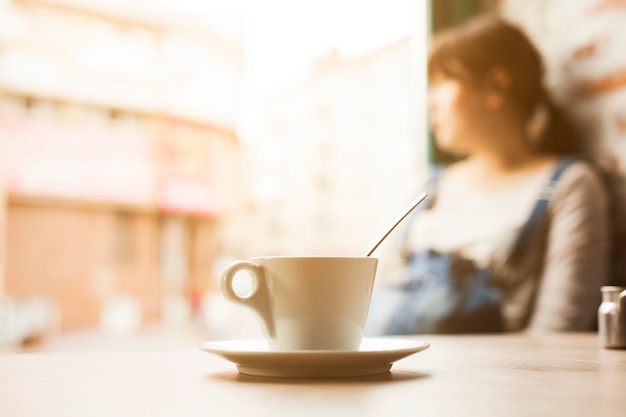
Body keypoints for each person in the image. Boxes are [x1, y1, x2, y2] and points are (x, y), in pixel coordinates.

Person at [368, 14, 610, 333]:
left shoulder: (570, 184)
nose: (431, 103)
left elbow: (557, 331)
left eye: (442, 84)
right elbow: (374, 293)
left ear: (495, 87)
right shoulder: (427, 186)